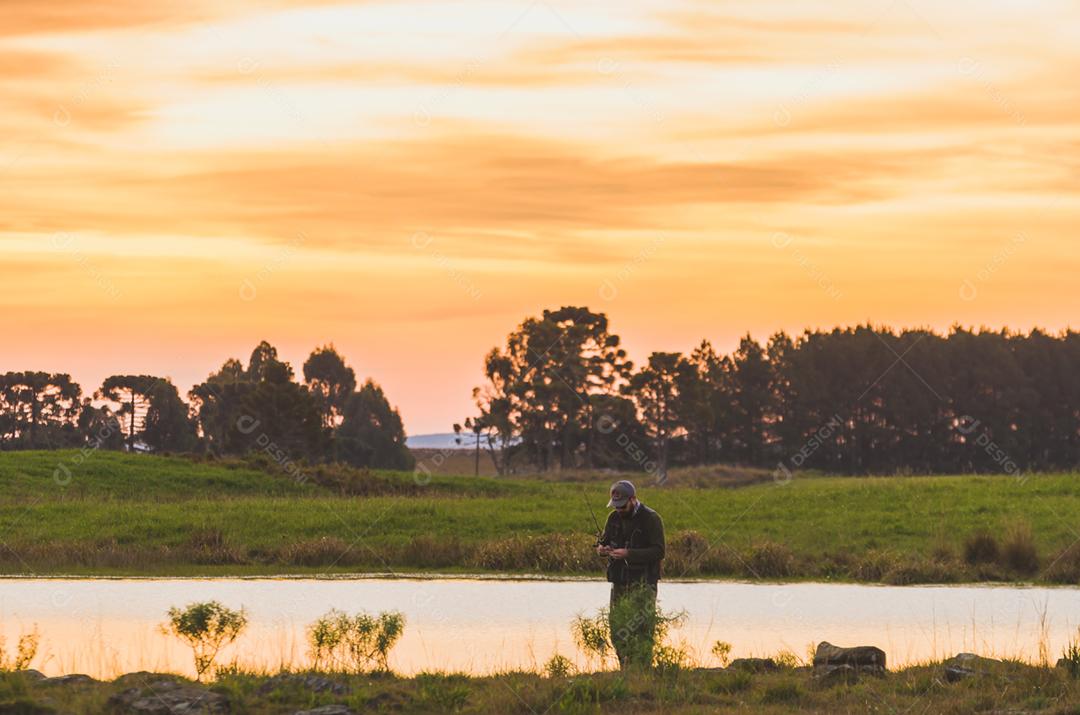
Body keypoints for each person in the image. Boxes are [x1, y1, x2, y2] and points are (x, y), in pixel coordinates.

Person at [596, 479, 665, 668]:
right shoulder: (613, 518)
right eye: (615, 505)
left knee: (642, 630)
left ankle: (642, 671)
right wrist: (602, 549)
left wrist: (629, 554)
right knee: (618, 628)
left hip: (644, 583)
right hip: (619, 581)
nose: (618, 509)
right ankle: (625, 669)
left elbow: (659, 551)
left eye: (622, 505)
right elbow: (605, 540)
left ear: (633, 499)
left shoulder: (651, 518)